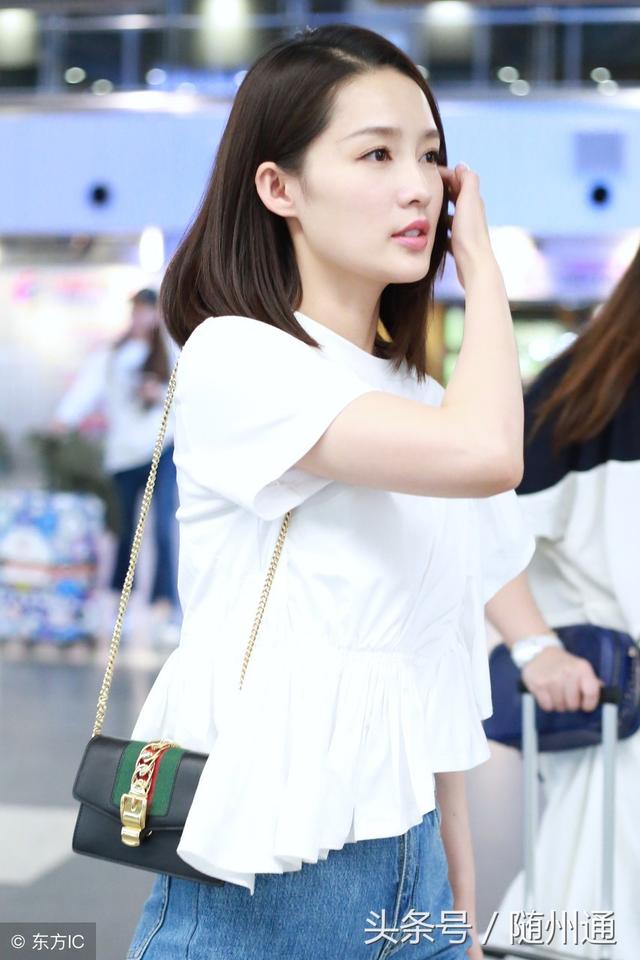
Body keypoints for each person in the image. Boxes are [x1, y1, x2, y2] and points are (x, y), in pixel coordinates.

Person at [124, 24, 536, 960]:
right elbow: (490, 453)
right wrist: (483, 270)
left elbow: (430, 677)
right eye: (377, 154)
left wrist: (456, 914)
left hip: (413, 883)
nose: (419, 187)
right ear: (279, 188)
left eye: (429, 155)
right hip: (261, 895)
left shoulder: (420, 398)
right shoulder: (238, 354)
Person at [481, 243, 640, 959]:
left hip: (609, 734)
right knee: (586, 910)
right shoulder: (590, 390)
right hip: (616, 726)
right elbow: (478, 524)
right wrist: (537, 647)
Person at [50, 288, 181, 648]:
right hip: (123, 455)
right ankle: (123, 607)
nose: (142, 317)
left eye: (148, 310)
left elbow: (189, 395)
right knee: (125, 532)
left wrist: (160, 393)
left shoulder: (171, 353)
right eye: (137, 310)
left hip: (161, 449)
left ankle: (165, 607)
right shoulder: (112, 356)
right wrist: (63, 419)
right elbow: (86, 390)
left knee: (164, 528)